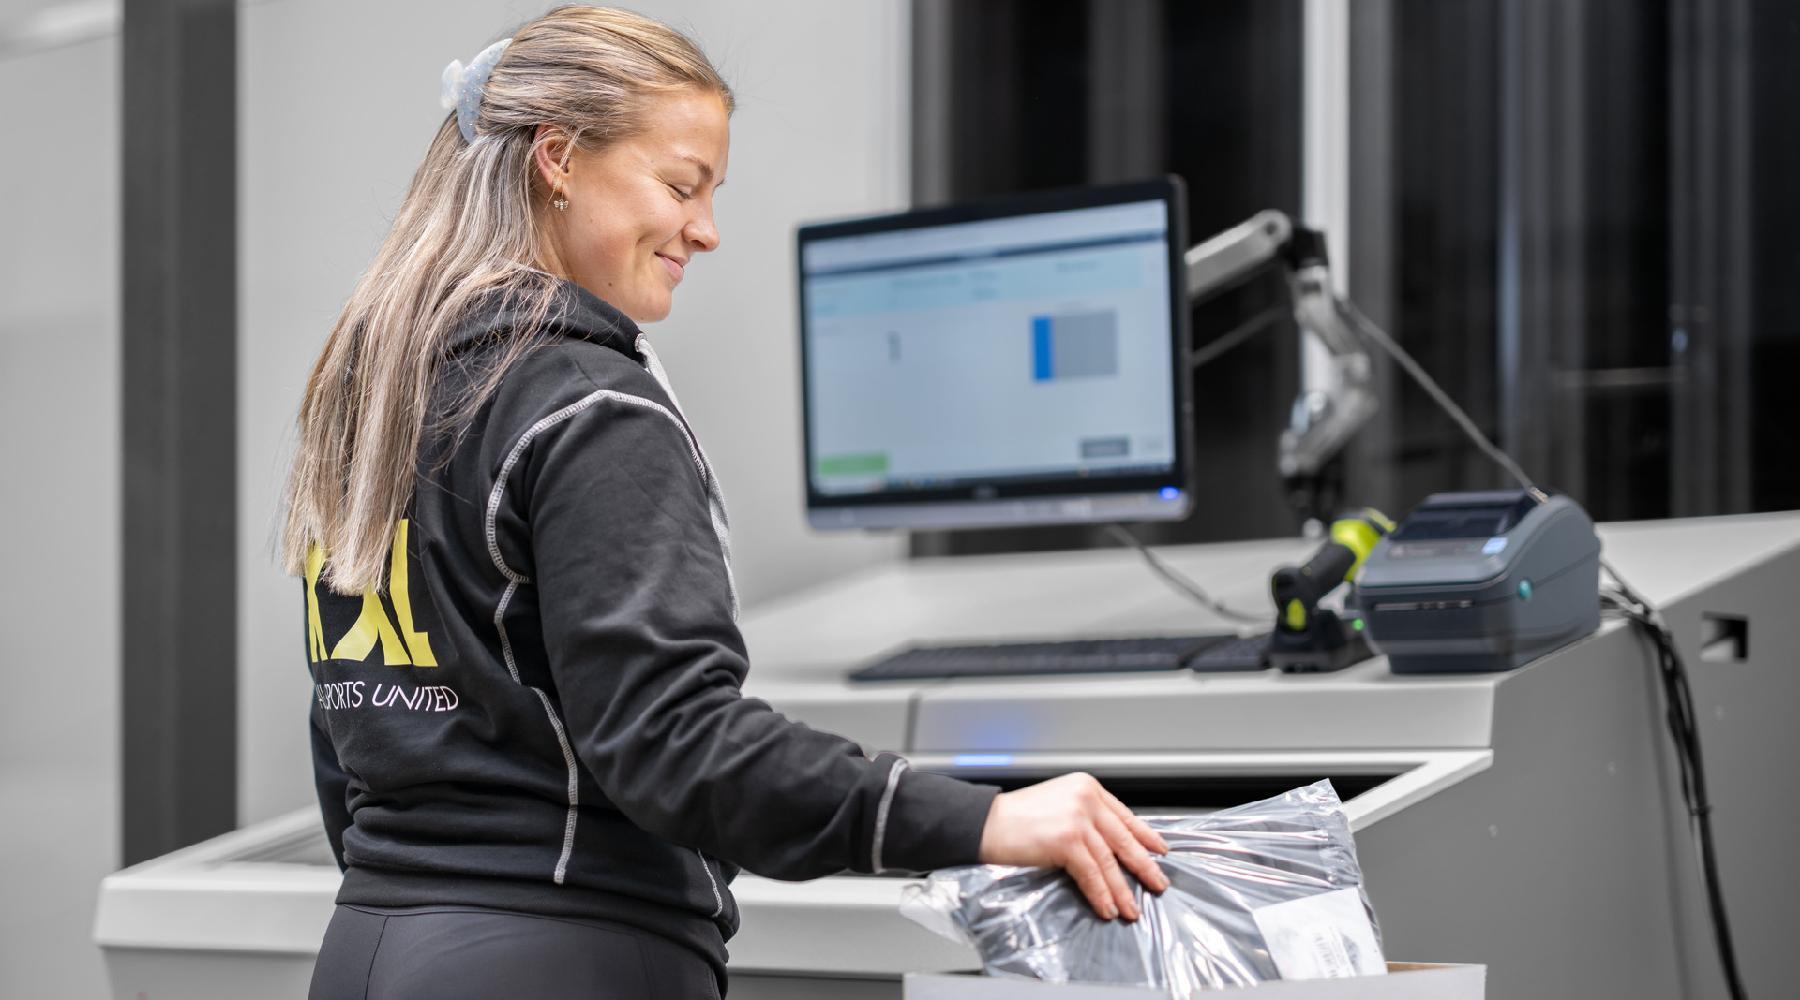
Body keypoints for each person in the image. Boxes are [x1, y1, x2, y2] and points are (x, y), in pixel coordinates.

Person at [285, 7, 1170, 999]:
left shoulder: (373, 397)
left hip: (368, 947)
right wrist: (987, 820)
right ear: (560, 157)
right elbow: (675, 741)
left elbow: (347, 732)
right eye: (680, 185)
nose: (705, 230)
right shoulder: (589, 408)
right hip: (559, 953)